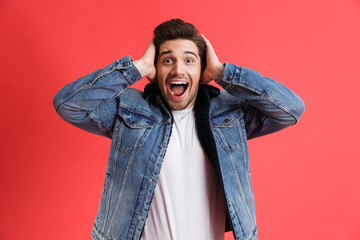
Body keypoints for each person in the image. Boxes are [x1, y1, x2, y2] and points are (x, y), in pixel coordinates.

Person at [53, 19, 305, 240]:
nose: (178, 69)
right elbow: (69, 105)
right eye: (167, 60)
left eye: (189, 60)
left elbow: (291, 109)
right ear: (155, 70)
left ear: (201, 70)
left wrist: (223, 72)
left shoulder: (229, 115)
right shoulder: (130, 111)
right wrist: (137, 67)